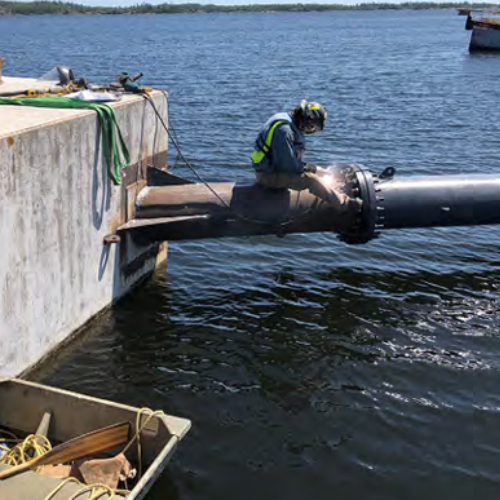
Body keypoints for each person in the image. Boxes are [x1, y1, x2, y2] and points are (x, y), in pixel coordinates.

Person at [251, 100, 362, 215]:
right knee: (312, 180)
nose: (311, 129)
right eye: (312, 126)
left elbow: (287, 160)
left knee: (313, 174)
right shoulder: (284, 131)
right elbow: (288, 166)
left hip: (272, 169)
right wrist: (313, 170)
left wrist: (315, 169)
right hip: (268, 176)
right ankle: (346, 204)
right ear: (307, 119)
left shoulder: (287, 120)